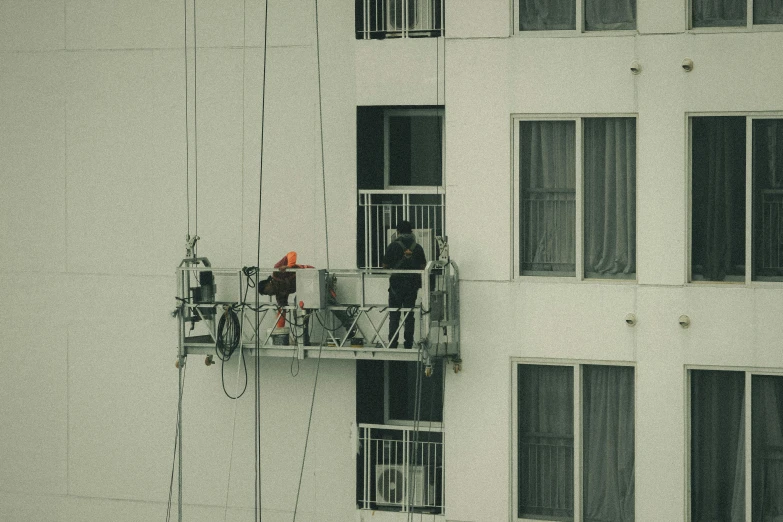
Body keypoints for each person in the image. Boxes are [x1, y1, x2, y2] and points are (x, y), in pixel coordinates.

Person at [383, 221, 426, 348]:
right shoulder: (417, 247)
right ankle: (408, 343)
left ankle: (392, 342)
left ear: (398, 232)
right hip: (412, 286)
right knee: (409, 315)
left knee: (394, 314)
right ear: (411, 232)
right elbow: (423, 266)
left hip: (396, 286)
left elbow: (385, 266)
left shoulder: (392, 246)